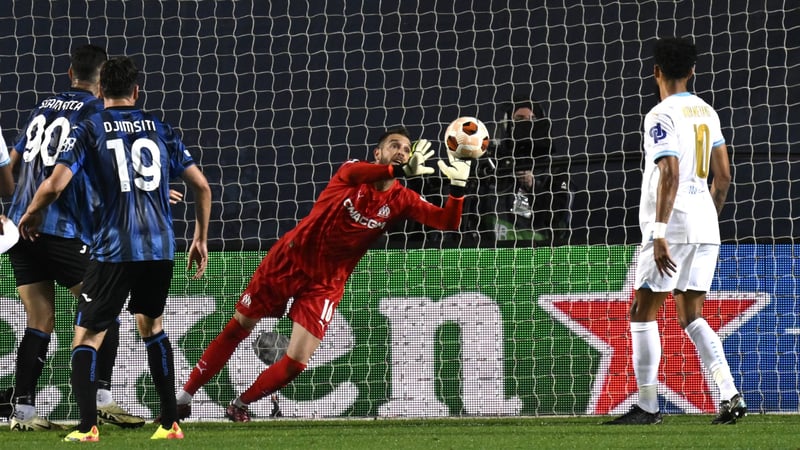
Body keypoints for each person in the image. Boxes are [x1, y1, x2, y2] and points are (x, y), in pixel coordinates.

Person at [169, 127, 471, 422]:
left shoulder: (402, 199)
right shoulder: (351, 172)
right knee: (239, 327)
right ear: (377, 153)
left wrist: (457, 189)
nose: (401, 152)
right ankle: (183, 398)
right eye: (394, 145)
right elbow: (362, 173)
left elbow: (447, 222)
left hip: (326, 283)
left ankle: (240, 404)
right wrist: (398, 171)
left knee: (297, 362)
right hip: (289, 261)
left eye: (406, 149)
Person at [17, 56, 211, 441]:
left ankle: (87, 426)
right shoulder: (161, 128)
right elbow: (202, 187)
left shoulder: (90, 128)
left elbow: (55, 184)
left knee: (86, 335)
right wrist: (200, 238)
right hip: (160, 247)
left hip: (114, 248)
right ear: (137, 91)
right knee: (152, 327)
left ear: (101, 90)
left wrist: (32, 212)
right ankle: (169, 423)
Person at [0, 44, 149, 432]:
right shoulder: (96, 112)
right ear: (103, 81)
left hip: (18, 226)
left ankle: (23, 412)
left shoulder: (42, 107)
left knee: (40, 317)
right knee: (105, 310)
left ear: (70, 73)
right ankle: (100, 398)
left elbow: (11, 163)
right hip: (59, 227)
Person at [604, 37, 743, 425]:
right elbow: (724, 176)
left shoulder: (660, 114)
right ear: (693, 71)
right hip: (705, 225)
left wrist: (661, 231)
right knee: (691, 315)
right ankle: (730, 394)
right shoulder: (707, 111)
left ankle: (648, 406)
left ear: (656, 72)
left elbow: (670, 172)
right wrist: (707, 217)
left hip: (673, 226)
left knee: (642, 312)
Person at [477, 97, 572, 245]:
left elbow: (559, 216)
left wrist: (533, 186)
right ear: (508, 124)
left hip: (538, 249)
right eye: (519, 119)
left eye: (532, 119)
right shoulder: (491, 163)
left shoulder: (555, 167)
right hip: (492, 248)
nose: (526, 124)